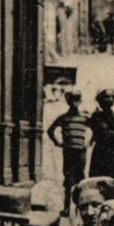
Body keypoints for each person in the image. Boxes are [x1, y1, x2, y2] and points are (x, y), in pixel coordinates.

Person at [47, 88, 92, 216]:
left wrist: (89, 143)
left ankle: (80, 208)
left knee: (81, 180)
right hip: (68, 152)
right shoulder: (63, 118)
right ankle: (66, 208)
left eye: (77, 100)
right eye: (72, 100)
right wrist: (58, 143)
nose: (74, 103)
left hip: (81, 152)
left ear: (80, 101)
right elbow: (50, 130)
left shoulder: (85, 118)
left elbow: (96, 130)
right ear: (68, 101)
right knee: (68, 180)